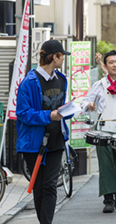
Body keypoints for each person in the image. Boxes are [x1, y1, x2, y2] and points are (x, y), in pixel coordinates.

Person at [16, 40, 72, 224]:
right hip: (34, 142)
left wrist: (73, 110)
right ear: (54, 57)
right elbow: (23, 114)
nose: (63, 59)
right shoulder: (29, 82)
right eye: (61, 56)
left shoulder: (61, 79)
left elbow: (61, 109)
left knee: (50, 186)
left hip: (56, 139)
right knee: (39, 187)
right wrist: (50, 116)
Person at [80, 50, 116, 213]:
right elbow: (84, 102)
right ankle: (108, 199)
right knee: (106, 164)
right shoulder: (99, 84)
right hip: (103, 130)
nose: (115, 65)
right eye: (111, 62)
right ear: (105, 65)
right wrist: (89, 106)